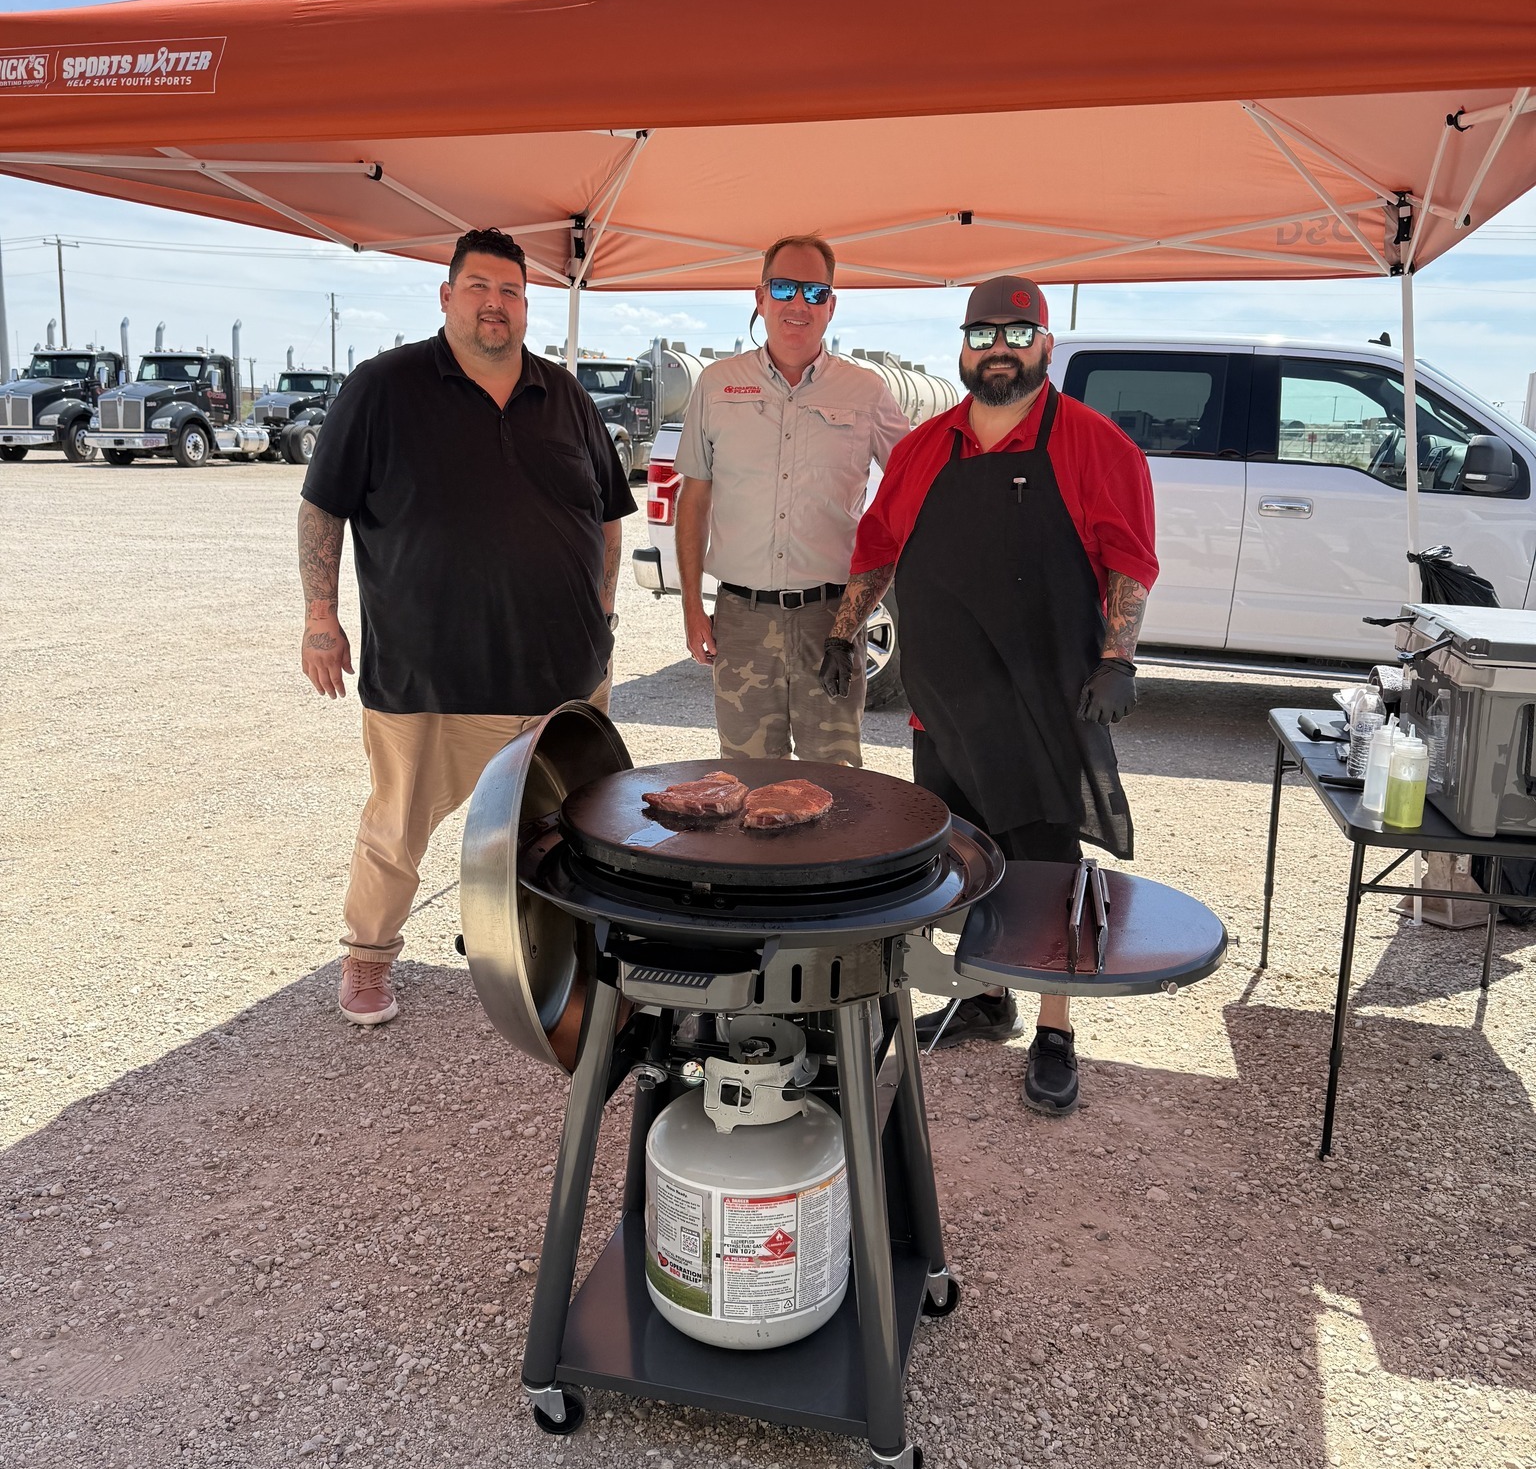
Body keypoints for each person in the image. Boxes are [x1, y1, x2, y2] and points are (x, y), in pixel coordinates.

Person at [823, 275, 1157, 1114]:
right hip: (945, 695)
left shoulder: (1095, 444)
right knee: (963, 855)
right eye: (981, 335)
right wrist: (843, 631)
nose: (997, 349)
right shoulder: (925, 447)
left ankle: (1056, 1030)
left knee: (1048, 866)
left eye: (1016, 333)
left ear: (1045, 345)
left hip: (1045, 695)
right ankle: (985, 995)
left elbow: (1128, 560)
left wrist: (1118, 657)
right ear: (962, 346)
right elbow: (879, 545)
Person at [297, 227, 636, 1028]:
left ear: (527, 304)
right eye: (479, 287)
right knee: (396, 827)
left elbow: (611, 515)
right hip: (430, 675)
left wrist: (604, 607)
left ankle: (562, 958)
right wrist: (321, 618)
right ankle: (369, 956)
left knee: (573, 830)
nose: (496, 304)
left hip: (563, 674)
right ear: (447, 297)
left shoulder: (566, 395)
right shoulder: (382, 387)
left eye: (511, 291)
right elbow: (322, 508)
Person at [674, 235, 908, 764]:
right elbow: (694, 501)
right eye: (782, 288)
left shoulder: (866, 392)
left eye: (813, 290)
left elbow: (913, 488)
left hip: (832, 623)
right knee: (746, 782)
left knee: (836, 785)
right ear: (760, 298)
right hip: (740, 618)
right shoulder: (716, 386)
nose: (797, 303)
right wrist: (693, 606)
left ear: (831, 304)